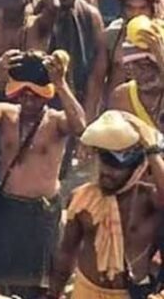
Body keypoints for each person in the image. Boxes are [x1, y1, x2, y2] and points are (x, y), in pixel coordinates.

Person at [0, 50, 87, 296]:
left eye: (36, 97)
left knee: (46, 285)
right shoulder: (5, 113)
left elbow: (80, 126)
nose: (29, 102)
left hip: (42, 212)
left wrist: (61, 84)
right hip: (9, 208)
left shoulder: (56, 121)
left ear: (46, 96)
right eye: (24, 96)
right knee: (6, 281)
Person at [50, 110, 164, 299]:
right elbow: (66, 253)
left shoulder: (150, 200)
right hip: (86, 291)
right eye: (104, 163)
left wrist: (151, 149)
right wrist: (53, 294)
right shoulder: (82, 198)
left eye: (117, 168)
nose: (107, 172)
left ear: (137, 169)